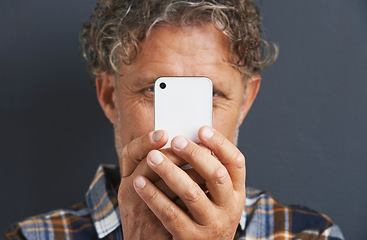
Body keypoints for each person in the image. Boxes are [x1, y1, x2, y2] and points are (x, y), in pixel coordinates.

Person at [4, 0, 344, 239]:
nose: (184, 137)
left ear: (245, 101)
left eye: (210, 95)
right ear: (109, 96)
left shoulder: (311, 235)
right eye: (156, 90)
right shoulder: (33, 237)